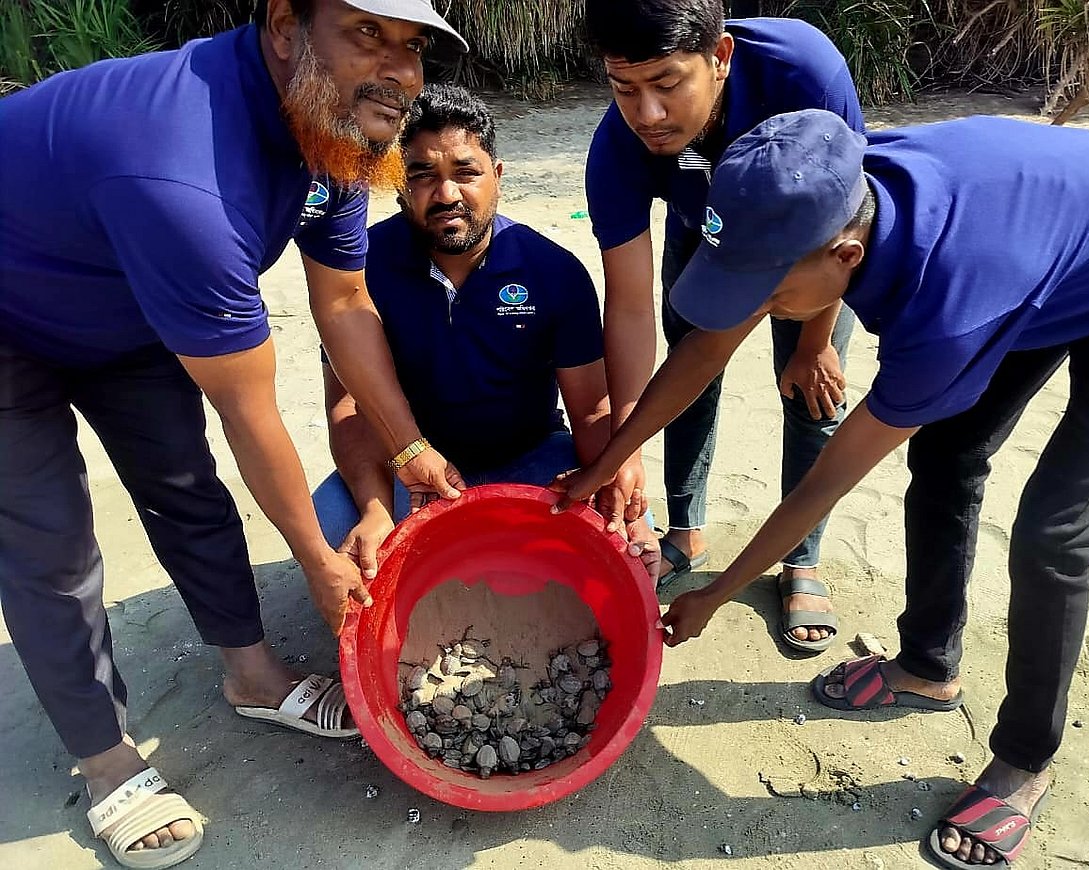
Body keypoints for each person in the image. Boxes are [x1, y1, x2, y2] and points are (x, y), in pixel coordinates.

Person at [554, 109, 1089, 867]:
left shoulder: (945, 313)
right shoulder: (828, 183)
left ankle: (1025, 761)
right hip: (1047, 252)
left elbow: (824, 483)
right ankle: (928, 667)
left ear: (847, 255)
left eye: (766, 292)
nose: (756, 308)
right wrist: (607, 461)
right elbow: (707, 347)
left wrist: (719, 592)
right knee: (947, 455)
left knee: (1054, 530)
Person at [0, 1, 470, 866]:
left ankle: (252, 676)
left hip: (125, 296)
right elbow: (248, 409)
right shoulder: (185, 176)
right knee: (48, 544)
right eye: (367, 33)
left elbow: (344, 302)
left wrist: (408, 448)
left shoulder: (337, 130)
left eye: (412, 46)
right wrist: (316, 559)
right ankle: (106, 761)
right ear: (286, 23)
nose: (399, 71)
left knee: (184, 485)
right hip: (11, 308)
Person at [583, 0, 863, 653]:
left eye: (666, 84)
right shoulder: (616, 149)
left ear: (720, 57)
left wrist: (816, 341)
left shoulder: (803, 70)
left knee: (811, 391)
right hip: (702, 236)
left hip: (810, 247)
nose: (648, 114)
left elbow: (846, 215)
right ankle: (686, 530)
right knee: (687, 371)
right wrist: (624, 449)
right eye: (624, 89)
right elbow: (628, 305)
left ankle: (800, 558)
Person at [312, 84, 658, 578]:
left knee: (627, 539)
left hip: (532, 457)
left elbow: (591, 411)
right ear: (399, 184)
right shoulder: (358, 272)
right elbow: (347, 407)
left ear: (497, 175)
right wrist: (375, 507)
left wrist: (619, 494)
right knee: (332, 525)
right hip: (409, 461)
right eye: (423, 175)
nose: (446, 194)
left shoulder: (554, 271)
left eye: (465, 173)